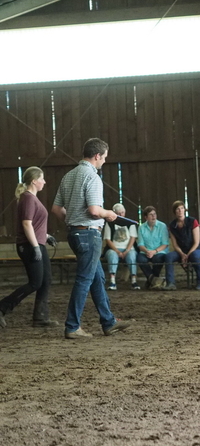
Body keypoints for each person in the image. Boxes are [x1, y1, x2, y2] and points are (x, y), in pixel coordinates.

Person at [51, 138, 130, 339]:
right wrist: (109, 214)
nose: (104, 161)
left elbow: (56, 209)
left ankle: (108, 321)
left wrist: (72, 222)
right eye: (104, 158)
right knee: (84, 280)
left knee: (97, 278)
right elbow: (94, 210)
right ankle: (71, 326)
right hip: (89, 233)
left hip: (75, 233)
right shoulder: (92, 177)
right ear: (97, 156)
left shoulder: (68, 176)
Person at [0, 167, 58, 329]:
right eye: (42, 179)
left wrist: (46, 236)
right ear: (34, 181)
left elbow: (34, 224)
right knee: (35, 282)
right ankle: (2, 307)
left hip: (36, 243)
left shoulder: (32, 198)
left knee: (45, 280)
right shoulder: (28, 199)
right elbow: (26, 224)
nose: (44, 182)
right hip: (29, 245)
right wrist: (35, 246)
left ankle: (40, 317)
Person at [163, 201, 200, 290]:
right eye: (178, 209)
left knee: (194, 256)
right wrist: (182, 254)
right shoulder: (172, 225)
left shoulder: (192, 221)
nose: (180, 210)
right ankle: (170, 283)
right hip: (181, 251)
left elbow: (196, 242)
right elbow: (175, 244)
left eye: (182, 208)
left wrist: (188, 255)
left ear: (185, 210)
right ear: (175, 211)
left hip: (196, 249)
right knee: (168, 257)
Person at [103, 203, 140, 291]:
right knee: (112, 255)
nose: (121, 215)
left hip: (128, 248)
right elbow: (108, 240)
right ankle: (112, 281)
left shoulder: (130, 223)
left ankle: (134, 281)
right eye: (118, 213)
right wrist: (117, 251)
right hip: (113, 249)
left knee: (132, 256)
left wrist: (126, 251)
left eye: (122, 213)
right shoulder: (110, 224)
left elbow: (133, 238)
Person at [136, 206, 169, 289]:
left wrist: (154, 251)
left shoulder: (162, 226)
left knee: (157, 259)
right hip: (145, 251)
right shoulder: (141, 227)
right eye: (151, 215)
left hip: (159, 251)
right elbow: (140, 244)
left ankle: (150, 281)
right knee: (140, 259)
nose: (153, 216)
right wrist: (147, 251)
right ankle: (154, 281)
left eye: (154, 214)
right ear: (146, 217)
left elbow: (165, 244)